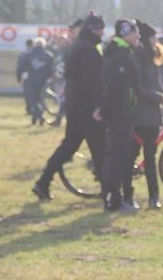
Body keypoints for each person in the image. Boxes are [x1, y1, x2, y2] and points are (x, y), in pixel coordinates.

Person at [32, 14, 106, 201]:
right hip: (87, 106)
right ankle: (108, 190)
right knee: (98, 148)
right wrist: (99, 105)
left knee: (69, 146)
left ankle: (43, 181)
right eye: (99, 29)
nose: (102, 33)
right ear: (91, 30)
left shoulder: (75, 48)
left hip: (74, 104)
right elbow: (93, 81)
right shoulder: (89, 50)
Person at [100, 19, 142, 212]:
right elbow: (113, 88)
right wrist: (106, 110)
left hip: (124, 113)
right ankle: (112, 200)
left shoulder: (123, 53)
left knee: (119, 156)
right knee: (117, 157)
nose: (138, 36)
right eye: (135, 33)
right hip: (120, 114)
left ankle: (113, 198)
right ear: (125, 34)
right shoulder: (121, 56)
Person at [132, 21, 163, 209]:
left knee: (150, 157)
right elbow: (139, 89)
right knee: (132, 155)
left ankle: (154, 196)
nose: (156, 41)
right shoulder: (139, 58)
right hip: (140, 116)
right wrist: (159, 98)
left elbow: (157, 83)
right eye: (153, 38)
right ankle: (128, 194)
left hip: (153, 117)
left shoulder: (151, 59)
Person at [19, 38, 54, 125]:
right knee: (41, 100)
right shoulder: (49, 56)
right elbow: (51, 70)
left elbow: (21, 67)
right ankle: (37, 117)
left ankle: (38, 117)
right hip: (44, 82)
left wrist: (20, 77)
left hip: (31, 81)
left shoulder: (29, 55)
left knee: (33, 100)